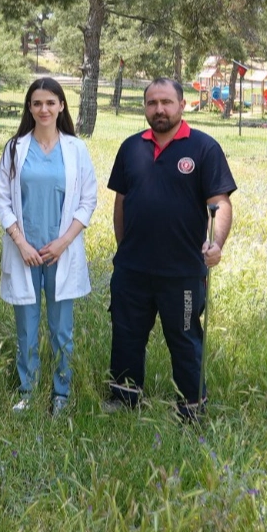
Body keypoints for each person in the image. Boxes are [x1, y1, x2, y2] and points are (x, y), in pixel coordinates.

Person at [105, 77, 235, 419]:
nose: (159, 109)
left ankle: (191, 408)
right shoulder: (131, 147)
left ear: (182, 104)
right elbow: (121, 201)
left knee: (185, 339)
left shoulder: (204, 148)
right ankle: (123, 399)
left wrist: (216, 244)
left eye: (166, 102)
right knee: (126, 335)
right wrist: (124, 250)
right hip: (132, 268)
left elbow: (220, 203)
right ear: (145, 107)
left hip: (183, 271)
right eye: (152, 103)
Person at [0, 78, 97, 416]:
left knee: (61, 328)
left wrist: (65, 242)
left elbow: (88, 199)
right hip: (26, 252)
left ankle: (61, 392)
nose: (44, 109)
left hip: (60, 252)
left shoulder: (76, 149)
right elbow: (2, 199)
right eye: (37, 103)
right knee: (26, 326)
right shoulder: (15, 148)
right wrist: (20, 242)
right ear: (29, 108)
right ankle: (27, 389)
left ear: (62, 106)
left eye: (51, 103)